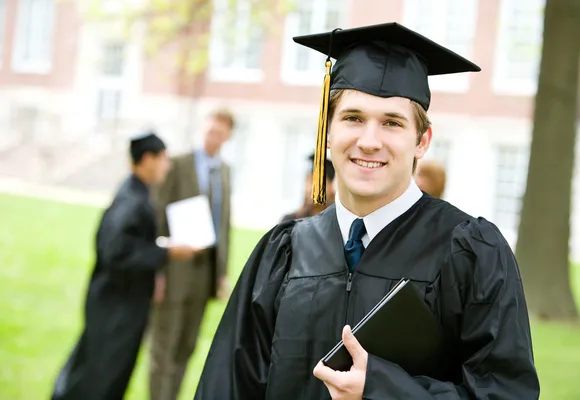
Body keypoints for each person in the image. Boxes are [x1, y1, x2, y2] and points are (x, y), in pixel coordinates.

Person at [194, 22, 540, 400]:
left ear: (422, 141)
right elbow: (228, 386)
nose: (369, 141)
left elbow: (506, 393)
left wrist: (383, 389)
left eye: (391, 123)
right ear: (327, 132)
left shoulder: (470, 252)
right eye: (353, 118)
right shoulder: (285, 252)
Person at [50, 132, 198, 400]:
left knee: (103, 369)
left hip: (120, 301)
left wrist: (160, 248)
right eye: (163, 159)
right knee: (101, 374)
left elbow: (126, 243)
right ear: (147, 159)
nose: (167, 166)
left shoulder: (136, 193)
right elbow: (115, 252)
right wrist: (166, 252)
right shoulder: (132, 200)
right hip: (116, 306)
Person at [148, 108, 235, 400]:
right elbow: (158, 216)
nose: (214, 138)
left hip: (204, 272)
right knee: (165, 346)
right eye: (210, 131)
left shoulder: (224, 171)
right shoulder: (177, 164)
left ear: (228, 137)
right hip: (174, 268)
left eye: (220, 134)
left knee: (187, 345)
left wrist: (221, 272)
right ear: (202, 129)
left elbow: (223, 223)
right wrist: (157, 270)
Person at [281, 152, 336, 222]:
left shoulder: (338, 222)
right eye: (308, 181)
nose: (310, 189)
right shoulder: (290, 222)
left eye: (317, 183)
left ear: (331, 186)